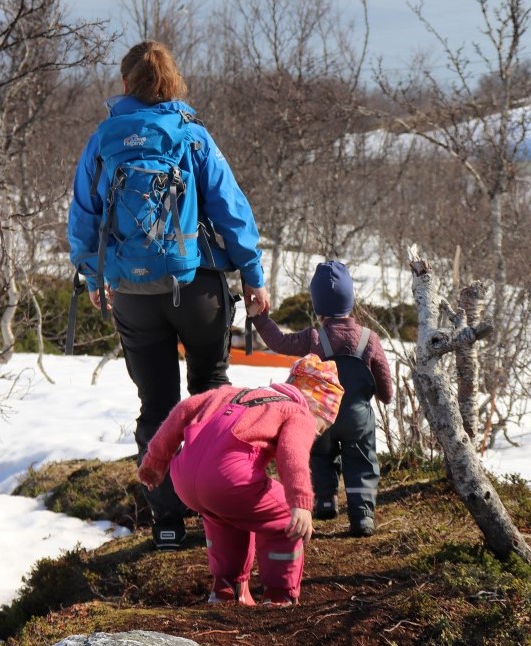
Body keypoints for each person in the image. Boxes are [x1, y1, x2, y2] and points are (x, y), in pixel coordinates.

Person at [67, 41, 270, 551]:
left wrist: (95, 277)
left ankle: (166, 520)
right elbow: (230, 207)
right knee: (210, 394)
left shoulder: (103, 140)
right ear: (172, 81)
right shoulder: (191, 136)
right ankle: (217, 508)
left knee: (155, 403)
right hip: (196, 285)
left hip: (132, 292)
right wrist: (252, 272)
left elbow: (83, 216)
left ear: (126, 81)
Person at [137, 354, 344, 607]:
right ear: (313, 406)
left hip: (184, 478)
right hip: (227, 480)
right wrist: (300, 503)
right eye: (320, 428)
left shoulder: (233, 393)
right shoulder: (297, 412)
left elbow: (183, 410)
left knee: (225, 515)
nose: (316, 434)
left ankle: (226, 589)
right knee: (283, 520)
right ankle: (279, 596)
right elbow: (293, 454)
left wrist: (155, 462)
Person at [247, 260, 393, 537]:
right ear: (350, 300)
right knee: (361, 459)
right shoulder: (369, 339)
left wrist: (259, 317)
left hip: (322, 417)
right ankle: (362, 516)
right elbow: (385, 385)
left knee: (319, 454)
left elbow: (278, 342)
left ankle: (325, 501)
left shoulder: (315, 337)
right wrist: (383, 396)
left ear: (318, 305)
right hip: (357, 417)